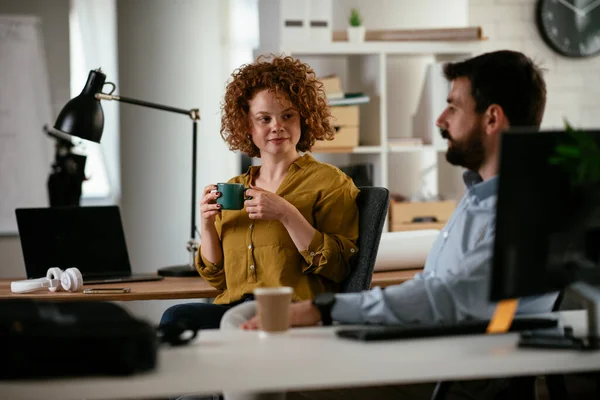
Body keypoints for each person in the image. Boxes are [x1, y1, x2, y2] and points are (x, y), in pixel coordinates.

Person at [222, 50, 558, 400]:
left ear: (492, 119)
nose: (440, 120)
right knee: (245, 321)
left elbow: (444, 299)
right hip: (429, 348)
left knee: (278, 375)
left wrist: (323, 310)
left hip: (458, 372)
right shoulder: (479, 198)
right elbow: (435, 288)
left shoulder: (527, 209)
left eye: (453, 107)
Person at [159, 55, 360, 331]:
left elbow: (340, 268)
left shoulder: (330, 182)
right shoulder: (234, 187)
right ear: (248, 127)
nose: (277, 126)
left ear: (304, 117)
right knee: (175, 318)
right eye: (264, 118)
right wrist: (206, 224)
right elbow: (218, 280)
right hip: (235, 309)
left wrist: (286, 213)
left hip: (292, 313)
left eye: (287, 115)